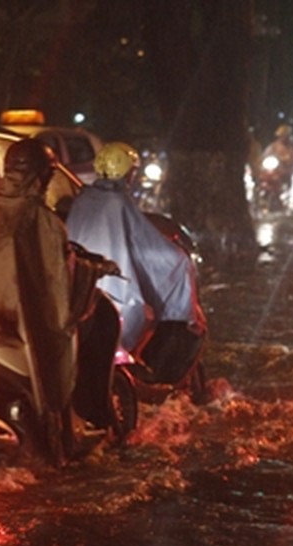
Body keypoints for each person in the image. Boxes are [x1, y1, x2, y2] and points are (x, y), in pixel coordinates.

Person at [0, 137, 104, 461]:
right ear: (42, 177)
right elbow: (54, 283)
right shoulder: (41, 220)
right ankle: (59, 435)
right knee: (56, 343)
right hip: (15, 319)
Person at [66, 141, 206, 383]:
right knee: (144, 310)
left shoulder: (84, 198)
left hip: (77, 285)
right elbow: (145, 243)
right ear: (126, 171)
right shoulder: (118, 203)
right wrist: (177, 257)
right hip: (113, 289)